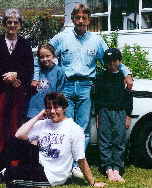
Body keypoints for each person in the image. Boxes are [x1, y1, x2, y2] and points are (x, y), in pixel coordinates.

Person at [32, 3, 133, 178]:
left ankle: (75, 165)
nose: (80, 21)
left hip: (87, 87)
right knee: (65, 125)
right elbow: (41, 53)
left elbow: (112, 60)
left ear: (89, 20)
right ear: (72, 19)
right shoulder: (62, 38)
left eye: (83, 18)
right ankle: (64, 163)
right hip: (67, 86)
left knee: (83, 129)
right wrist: (35, 75)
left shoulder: (96, 41)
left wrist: (127, 73)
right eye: (77, 18)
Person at [0, 92, 107, 187]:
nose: (52, 111)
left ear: (64, 108)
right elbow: (19, 135)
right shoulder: (44, 123)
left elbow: (81, 159)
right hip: (39, 162)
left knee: (11, 174)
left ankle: (5, 174)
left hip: (53, 173)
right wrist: (38, 117)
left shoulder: (74, 129)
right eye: (49, 108)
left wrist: (92, 183)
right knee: (14, 143)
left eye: (56, 107)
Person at [0, 8, 34, 165]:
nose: (12, 25)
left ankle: (12, 162)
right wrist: (8, 78)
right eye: (9, 22)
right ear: (4, 24)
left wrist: (16, 75)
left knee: (14, 127)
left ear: (20, 24)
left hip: (17, 93)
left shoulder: (25, 45)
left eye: (16, 22)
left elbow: (29, 70)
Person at [93, 48, 133, 182]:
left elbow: (128, 98)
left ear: (119, 61)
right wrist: (98, 116)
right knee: (105, 140)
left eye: (114, 60)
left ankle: (117, 169)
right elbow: (97, 98)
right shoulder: (101, 77)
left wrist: (128, 116)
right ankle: (108, 169)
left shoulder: (124, 77)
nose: (111, 63)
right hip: (104, 111)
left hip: (120, 112)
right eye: (108, 61)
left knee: (119, 140)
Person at [26, 43, 65, 119]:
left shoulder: (59, 71)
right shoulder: (35, 71)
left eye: (47, 56)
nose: (45, 59)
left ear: (53, 55)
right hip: (33, 110)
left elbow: (60, 92)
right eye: (42, 57)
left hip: (50, 111)